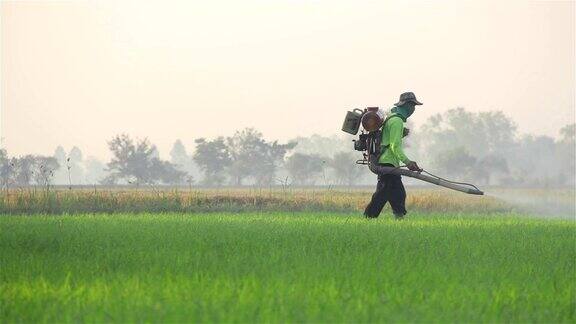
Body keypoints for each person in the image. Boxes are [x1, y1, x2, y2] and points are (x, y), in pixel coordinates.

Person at [364, 92, 423, 219]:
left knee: (398, 195)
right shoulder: (396, 121)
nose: (413, 109)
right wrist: (408, 162)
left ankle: (399, 221)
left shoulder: (391, 117)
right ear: (406, 105)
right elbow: (394, 146)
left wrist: (401, 133)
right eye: (412, 105)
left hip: (389, 164)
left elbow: (387, 138)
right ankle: (368, 218)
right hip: (388, 163)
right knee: (381, 196)